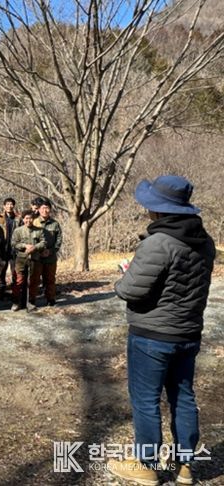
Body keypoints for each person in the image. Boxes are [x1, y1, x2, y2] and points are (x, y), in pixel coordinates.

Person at [108, 176, 215, 486]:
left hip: (151, 335)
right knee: (183, 397)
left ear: (159, 210)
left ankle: (146, 465)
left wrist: (124, 276)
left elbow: (130, 290)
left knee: (146, 400)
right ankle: (185, 466)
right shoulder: (205, 242)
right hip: (188, 334)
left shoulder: (158, 243)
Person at [10, 210, 46, 312]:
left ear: (33, 219)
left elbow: (43, 242)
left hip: (35, 259)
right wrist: (25, 246)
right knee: (19, 281)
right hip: (21, 259)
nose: (28, 220)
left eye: (30, 218)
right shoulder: (18, 230)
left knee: (33, 281)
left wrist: (35, 247)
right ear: (23, 219)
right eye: (26, 218)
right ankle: (16, 302)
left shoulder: (39, 230)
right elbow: (14, 243)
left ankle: (31, 302)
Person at [31, 198, 62, 306]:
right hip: (36, 257)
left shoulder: (55, 224)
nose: (45, 210)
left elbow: (59, 240)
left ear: (50, 209)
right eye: (43, 208)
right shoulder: (34, 222)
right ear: (39, 209)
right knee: (34, 279)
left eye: (47, 208)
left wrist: (51, 251)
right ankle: (31, 300)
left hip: (50, 257)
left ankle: (50, 299)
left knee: (50, 279)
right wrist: (37, 250)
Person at [0, 197, 21, 299]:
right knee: (2, 271)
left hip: (14, 249)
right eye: (7, 204)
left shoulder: (18, 218)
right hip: (3, 249)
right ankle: (1, 291)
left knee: (15, 271)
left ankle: (15, 292)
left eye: (11, 204)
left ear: (14, 206)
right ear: (4, 206)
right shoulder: (0, 218)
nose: (9, 206)